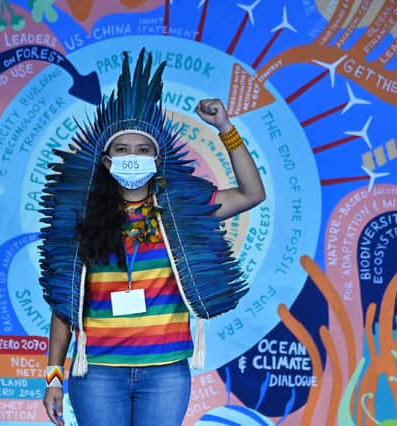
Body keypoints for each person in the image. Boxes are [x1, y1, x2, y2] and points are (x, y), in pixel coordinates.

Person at [39, 49, 266, 426]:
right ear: (106, 160)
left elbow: (251, 194)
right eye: (123, 149)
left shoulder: (183, 211)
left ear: (157, 158)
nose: (133, 157)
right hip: (96, 372)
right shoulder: (80, 218)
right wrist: (52, 379)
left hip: (165, 372)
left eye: (143, 149)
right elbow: (64, 308)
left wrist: (225, 129)